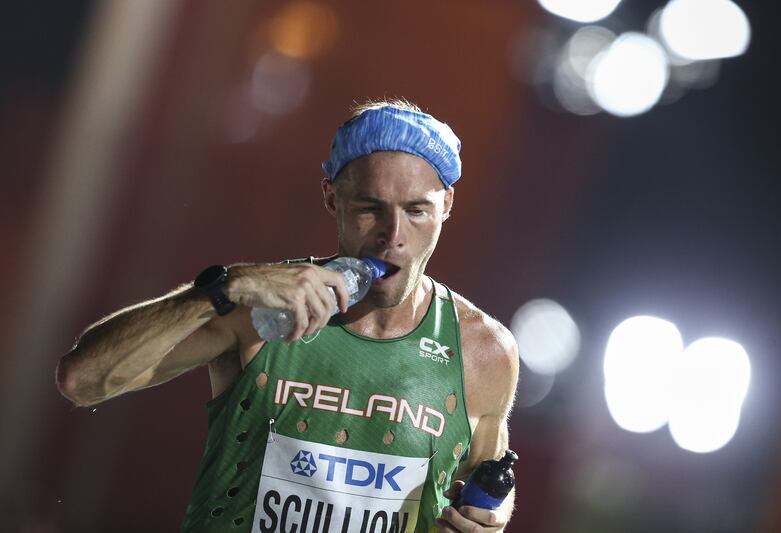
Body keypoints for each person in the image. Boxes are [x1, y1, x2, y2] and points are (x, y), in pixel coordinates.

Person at [56, 99, 519, 533]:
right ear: (332, 198)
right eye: (369, 208)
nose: (392, 236)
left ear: (447, 207)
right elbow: (84, 379)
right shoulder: (257, 305)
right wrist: (220, 289)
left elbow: (488, 485)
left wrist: (489, 520)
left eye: (417, 211)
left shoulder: (484, 351)